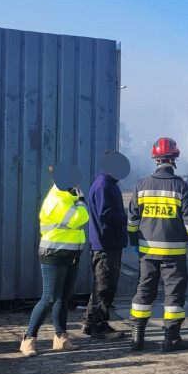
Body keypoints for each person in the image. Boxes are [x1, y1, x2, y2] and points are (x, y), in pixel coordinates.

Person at [126, 137, 188, 351]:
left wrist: (134, 241)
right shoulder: (181, 187)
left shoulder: (141, 185)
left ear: (155, 160)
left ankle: (137, 337)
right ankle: (171, 339)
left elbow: (132, 220)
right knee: (174, 294)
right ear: (175, 159)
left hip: (147, 252)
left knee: (144, 289)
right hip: (174, 253)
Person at [20, 175, 89, 356]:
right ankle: (28, 339)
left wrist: (76, 199)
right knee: (49, 298)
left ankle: (61, 338)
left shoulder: (68, 198)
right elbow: (78, 219)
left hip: (71, 254)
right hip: (53, 254)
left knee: (63, 298)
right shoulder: (56, 200)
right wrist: (82, 202)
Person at [80, 152, 128, 339]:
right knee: (105, 286)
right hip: (105, 244)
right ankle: (99, 326)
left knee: (101, 284)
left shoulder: (110, 184)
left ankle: (89, 321)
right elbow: (105, 215)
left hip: (109, 243)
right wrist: (128, 217)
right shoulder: (103, 186)